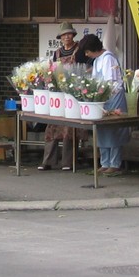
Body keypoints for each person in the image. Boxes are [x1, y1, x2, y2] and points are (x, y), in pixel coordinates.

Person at [79, 33, 130, 175]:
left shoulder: (108, 58)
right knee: (102, 130)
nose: (87, 54)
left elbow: (110, 81)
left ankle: (115, 163)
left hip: (114, 97)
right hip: (102, 98)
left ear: (93, 49)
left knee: (114, 130)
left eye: (87, 51)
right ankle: (105, 162)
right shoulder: (97, 60)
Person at [39, 22, 87, 171]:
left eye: (69, 34)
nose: (66, 37)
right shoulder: (57, 53)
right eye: (64, 35)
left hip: (74, 93)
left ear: (73, 35)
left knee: (69, 127)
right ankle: (48, 161)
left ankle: (68, 162)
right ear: (60, 37)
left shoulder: (80, 50)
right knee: (53, 125)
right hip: (59, 93)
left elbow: (86, 69)